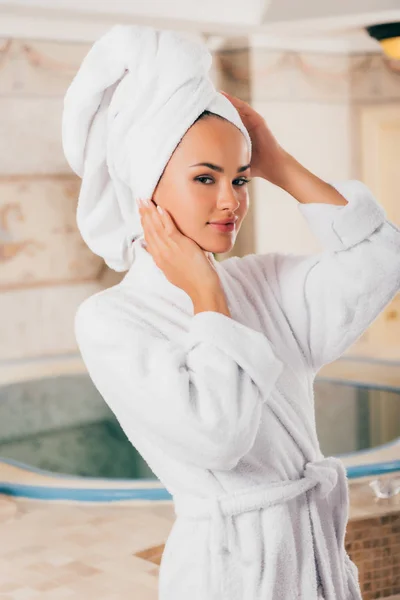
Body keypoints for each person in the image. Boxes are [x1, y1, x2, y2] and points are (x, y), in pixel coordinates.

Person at [64, 24, 400, 600]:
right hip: (229, 575)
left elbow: (382, 259)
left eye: (240, 177)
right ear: (146, 191)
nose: (232, 200)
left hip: (316, 559)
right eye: (205, 178)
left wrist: (279, 160)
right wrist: (206, 298)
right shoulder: (111, 320)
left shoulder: (261, 282)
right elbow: (218, 439)